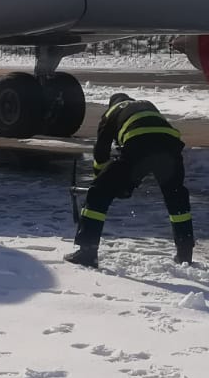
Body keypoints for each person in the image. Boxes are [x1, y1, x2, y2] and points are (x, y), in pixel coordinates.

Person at [66, 93, 195, 268]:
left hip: (139, 143)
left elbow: (101, 152)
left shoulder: (111, 112)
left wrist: (101, 182)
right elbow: (152, 142)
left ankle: (87, 252)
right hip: (170, 147)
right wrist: (128, 182)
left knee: (99, 193)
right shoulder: (147, 105)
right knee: (176, 197)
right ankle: (185, 255)